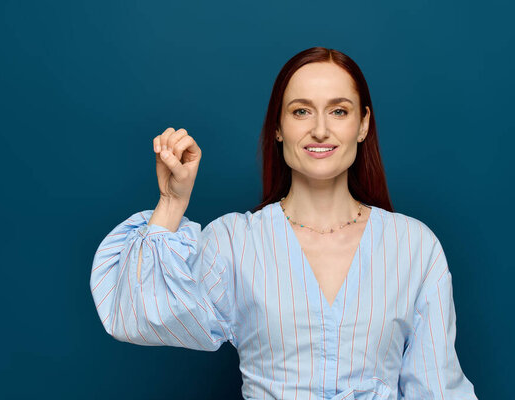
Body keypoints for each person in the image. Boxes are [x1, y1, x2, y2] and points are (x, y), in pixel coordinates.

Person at [90, 47, 478, 399]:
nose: (320, 129)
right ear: (278, 127)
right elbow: (137, 315)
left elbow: (438, 388)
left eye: (339, 111)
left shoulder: (414, 246)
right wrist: (173, 201)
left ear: (363, 125)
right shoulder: (234, 240)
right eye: (301, 111)